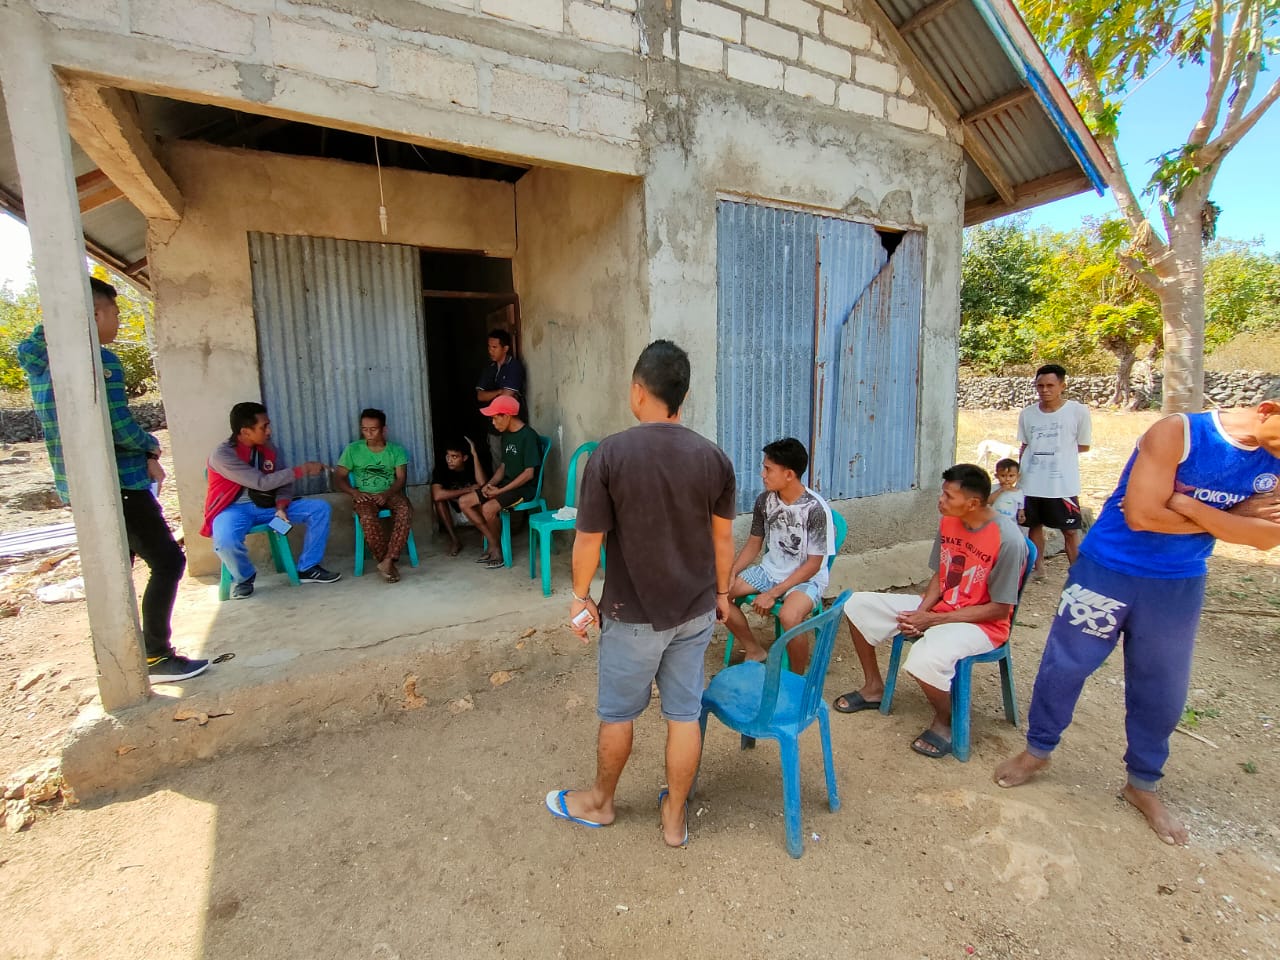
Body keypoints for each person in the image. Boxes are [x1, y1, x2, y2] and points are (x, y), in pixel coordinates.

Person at [995, 397, 1280, 845]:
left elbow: (1266, 539)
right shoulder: (1180, 434)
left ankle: (1142, 783)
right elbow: (1142, 515)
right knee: (1066, 665)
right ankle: (1038, 750)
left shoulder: (1275, 463)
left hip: (1178, 582)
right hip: (1106, 568)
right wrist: (1229, 521)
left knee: (1162, 686)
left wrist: (1187, 507)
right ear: (1268, 409)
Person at [545, 340, 736, 848]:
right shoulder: (713, 458)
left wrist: (581, 596)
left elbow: (589, 539)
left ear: (637, 390)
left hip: (631, 615)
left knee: (618, 714)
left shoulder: (611, 454)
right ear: (684, 395)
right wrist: (722, 594)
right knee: (683, 715)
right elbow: (722, 539)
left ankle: (601, 803)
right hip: (696, 609)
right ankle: (674, 817)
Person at [17, 276, 208, 683]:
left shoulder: (43, 358)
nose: (118, 321)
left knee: (120, 567)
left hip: (83, 486)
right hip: (119, 483)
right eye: (115, 312)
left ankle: (123, 657)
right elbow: (120, 428)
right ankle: (156, 655)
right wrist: (151, 446)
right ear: (94, 313)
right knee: (169, 560)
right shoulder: (98, 362)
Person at [831, 464, 1027, 760]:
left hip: (982, 624)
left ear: (972, 503)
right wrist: (920, 612)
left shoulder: (1008, 540)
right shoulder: (950, 521)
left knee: (922, 657)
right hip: (941, 607)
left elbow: (999, 610)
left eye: (949, 496)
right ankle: (873, 688)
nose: (941, 501)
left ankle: (946, 721)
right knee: (857, 604)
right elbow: (941, 576)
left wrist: (932, 619)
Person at [202, 402, 340, 598]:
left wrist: (282, 506)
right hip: (232, 510)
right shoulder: (223, 455)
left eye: (268, 425)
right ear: (246, 432)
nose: (269, 431)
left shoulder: (269, 449)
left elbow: (284, 483)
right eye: (263, 427)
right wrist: (303, 470)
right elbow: (261, 482)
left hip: (268, 508)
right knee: (225, 541)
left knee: (319, 509)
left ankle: (308, 567)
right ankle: (244, 577)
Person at [721, 437, 834, 673]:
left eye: (768, 469)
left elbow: (814, 565)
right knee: (719, 595)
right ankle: (754, 649)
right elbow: (754, 543)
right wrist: (730, 573)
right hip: (769, 571)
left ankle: (795, 677)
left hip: (805, 578)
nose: (763, 474)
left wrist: (774, 593)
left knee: (789, 616)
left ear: (789, 474)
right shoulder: (764, 500)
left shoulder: (815, 509)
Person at [1017, 364, 1092, 578]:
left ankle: (1077, 575)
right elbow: (1024, 445)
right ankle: (1038, 569)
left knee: (1070, 530)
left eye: (1050, 385)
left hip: (1062, 483)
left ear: (1062, 386)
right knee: (1034, 526)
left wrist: (1058, 455)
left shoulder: (1077, 412)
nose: (1044, 390)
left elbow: (1084, 445)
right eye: (1039, 386)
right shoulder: (1027, 414)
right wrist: (1018, 475)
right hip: (1031, 481)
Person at [458, 395, 541, 569]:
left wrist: (500, 491)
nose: (493, 423)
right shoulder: (506, 435)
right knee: (464, 502)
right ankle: (493, 542)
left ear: (507, 416)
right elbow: (503, 466)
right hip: (505, 486)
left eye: (496, 418)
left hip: (523, 489)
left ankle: (497, 550)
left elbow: (528, 474)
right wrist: (490, 484)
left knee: (488, 508)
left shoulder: (528, 436)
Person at [334, 408, 412, 583]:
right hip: (365, 496)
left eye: (373, 429)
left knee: (405, 510)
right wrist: (354, 492)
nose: (368, 433)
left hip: (390, 493)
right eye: (364, 429)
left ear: (384, 429)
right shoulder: (353, 450)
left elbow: (401, 479)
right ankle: (387, 563)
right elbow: (339, 477)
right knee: (367, 518)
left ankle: (388, 561)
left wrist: (387, 493)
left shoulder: (396, 450)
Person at [475, 328, 526, 472]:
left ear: (506, 348)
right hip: (494, 424)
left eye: (494, 347)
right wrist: (498, 392)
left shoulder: (514, 366)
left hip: (510, 423)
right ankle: (497, 490)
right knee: (497, 460)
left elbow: (507, 397)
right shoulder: (489, 368)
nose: (490, 350)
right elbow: (480, 396)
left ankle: (509, 491)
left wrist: (492, 394)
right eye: (489, 347)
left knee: (513, 461)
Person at [431, 436, 486, 558]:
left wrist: (474, 454)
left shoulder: (472, 466)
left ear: (465, 457)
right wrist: (468, 490)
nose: (449, 460)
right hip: (454, 515)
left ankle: (484, 534)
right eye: (448, 456)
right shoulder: (441, 468)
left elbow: (482, 485)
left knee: (482, 495)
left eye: (454, 457)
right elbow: (437, 495)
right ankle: (455, 540)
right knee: (439, 502)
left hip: (472, 512)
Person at [989, 458, 1027, 532]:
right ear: (996, 476)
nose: (1007, 479)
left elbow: (1021, 507)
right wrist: (1000, 490)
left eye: (1011, 476)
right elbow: (988, 501)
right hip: (992, 523)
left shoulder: (1019, 492)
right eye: (1003, 476)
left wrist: (1021, 515)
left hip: (1010, 525)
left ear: (1017, 476)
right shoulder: (993, 488)